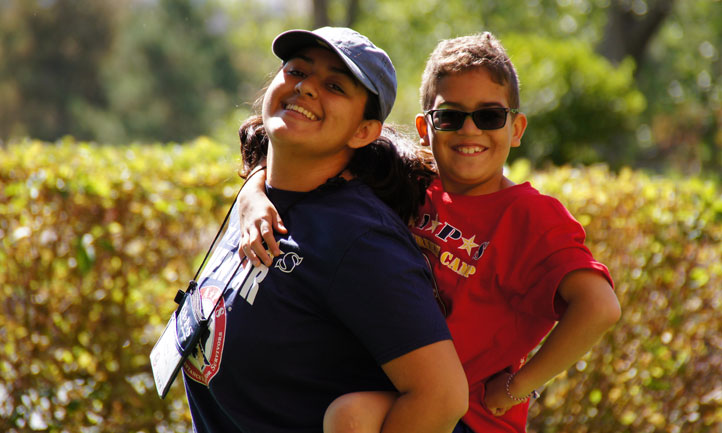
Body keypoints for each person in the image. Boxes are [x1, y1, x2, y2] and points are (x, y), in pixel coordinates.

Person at [238, 31, 621, 433]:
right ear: (425, 127)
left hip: (468, 415)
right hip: (399, 393)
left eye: (489, 116)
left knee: (349, 417)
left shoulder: (531, 216)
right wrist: (253, 192)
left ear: (517, 128)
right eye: (450, 117)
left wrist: (516, 388)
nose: (469, 130)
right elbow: (306, 151)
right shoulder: (409, 182)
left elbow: (599, 307)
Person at [182, 26, 468, 433]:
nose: (307, 88)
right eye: (297, 71)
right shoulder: (260, 203)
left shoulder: (361, 241)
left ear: (364, 131)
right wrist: (252, 190)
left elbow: (442, 397)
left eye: (335, 85)